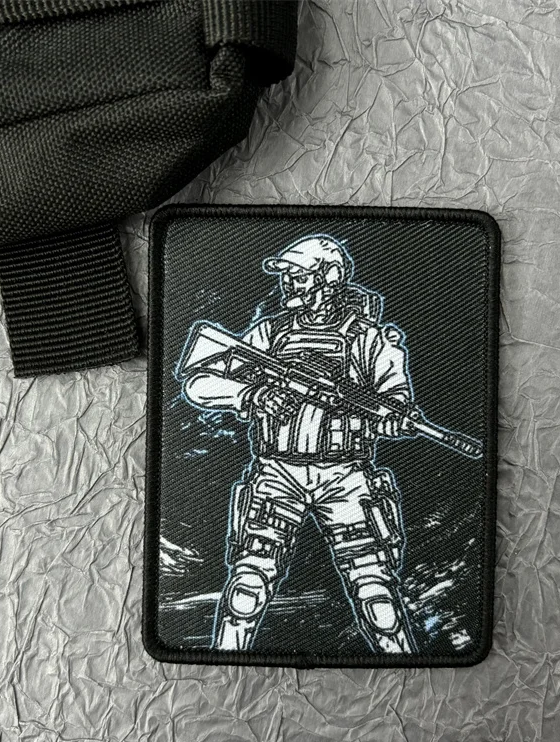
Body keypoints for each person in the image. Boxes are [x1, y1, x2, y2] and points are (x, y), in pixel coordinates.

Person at [179, 234, 420, 653]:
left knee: (376, 597)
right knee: (246, 590)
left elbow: (394, 400)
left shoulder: (370, 339)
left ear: (330, 277)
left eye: (299, 275)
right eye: (286, 275)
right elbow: (197, 383)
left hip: (346, 477)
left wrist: (393, 419)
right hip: (277, 473)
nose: (288, 283)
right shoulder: (269, 334)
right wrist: (250, 395)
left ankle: (405, 665)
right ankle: (227, 661)